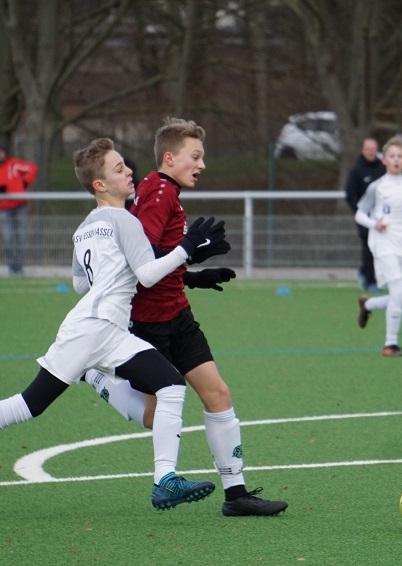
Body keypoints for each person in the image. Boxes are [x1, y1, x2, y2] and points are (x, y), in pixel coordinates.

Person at [0, 137, 229, 510]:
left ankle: (165, 481)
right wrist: (187, 248)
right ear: (100, 184)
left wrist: (178, 269)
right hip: (93, 331)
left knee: (171, 386)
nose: (129, 172)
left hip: (107, 330)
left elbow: (82, 282)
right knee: (28, 405)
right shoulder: (125, 220)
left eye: (125, 165)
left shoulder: (85, 228)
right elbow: (146, 275)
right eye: (119, 169)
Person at [83, 117, 288, 517]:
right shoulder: (160, 193)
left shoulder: (161, 189)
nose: (202, 164)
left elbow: (154, 257)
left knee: (218, 394)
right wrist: (188, 254)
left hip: (177, 314)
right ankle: (97, 378)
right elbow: (139, 262)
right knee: (153, 415)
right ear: (169, 158)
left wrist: (191, 276)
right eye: (195, 156)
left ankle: (236, 494)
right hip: (150, 323)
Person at [354, 136, 402, 357]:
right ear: (384, 160)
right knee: (397, 292)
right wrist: (374, 224)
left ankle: (368, 305)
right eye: (392, 156)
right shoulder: (377, 187)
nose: (396, 160)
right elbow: (359, 214)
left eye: (400, 156)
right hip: (383, 243)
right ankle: (390, 344)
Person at [0, 142, 38, 275]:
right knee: (8, 237)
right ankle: (11, 266)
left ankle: (19, 267)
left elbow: (32, 168)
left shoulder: (13, 164)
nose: (0, 155)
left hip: (20, 206)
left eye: (2, 152)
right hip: (4, 208)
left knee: (21, 237)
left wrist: (25, 182)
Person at [344, 138, 385, 292]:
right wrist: (360, 211)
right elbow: (350, 194)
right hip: (365, 218)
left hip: (382, 216)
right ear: (363, 150)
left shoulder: (383, 168)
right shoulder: (356, 170)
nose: (371, 152)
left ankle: (364, 272)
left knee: (381, 248)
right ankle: (370, 281)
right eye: (368, 149)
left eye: (373, 149)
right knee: (369, 247)